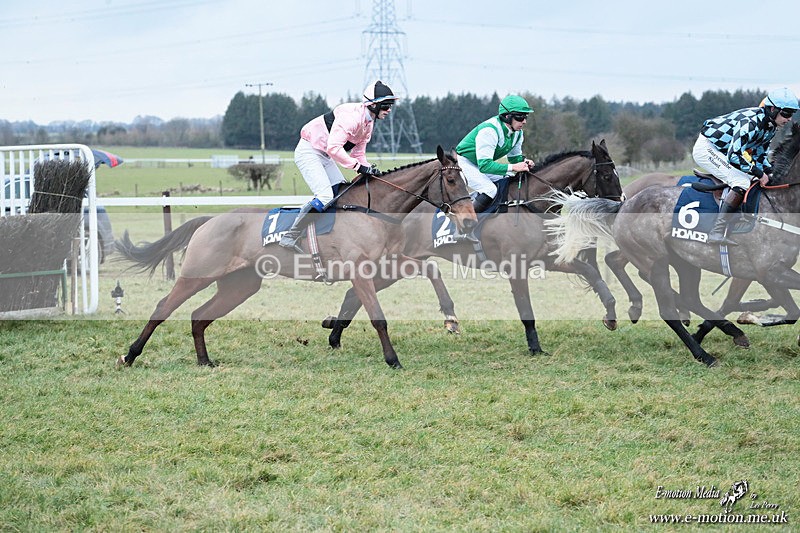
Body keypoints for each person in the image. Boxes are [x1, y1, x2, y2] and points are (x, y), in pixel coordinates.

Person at [280, 80, 397, 251]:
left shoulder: (369, 123)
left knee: (342, 193)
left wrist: (368, 169)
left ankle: (330, 235)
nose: (389, 110)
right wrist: (358, 167)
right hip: (309, 151)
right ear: (372, 105)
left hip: (325, 155)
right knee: (326, 196)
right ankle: (291, 235)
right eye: (386, 106)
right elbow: (334, 148)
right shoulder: (351, 117)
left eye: (390, 105)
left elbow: (358, 155)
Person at [693, 87, 799, 246]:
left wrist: (768, 172)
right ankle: (717, 231)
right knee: (741, 182)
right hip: (708, 148)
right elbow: (734, 155)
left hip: (725, 151)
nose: (789, 119)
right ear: (772, 109)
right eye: (786, 113)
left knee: (755, 178)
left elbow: (760, 155)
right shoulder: (752, 123)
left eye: (792, 114)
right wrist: (758, 172)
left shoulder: (770, 127)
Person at [455, 94, 535, 213]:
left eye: (525, 117)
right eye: (520, 117)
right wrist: (513, 167)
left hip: (481, 164)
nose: (524, 121)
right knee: (490, 190)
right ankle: (466, 223)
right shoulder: (490, 131)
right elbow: (485, 166)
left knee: (509, 180)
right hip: (465, 163)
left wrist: (524, 162)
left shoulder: (518, 133)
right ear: (507, 116)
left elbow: (514, 159)